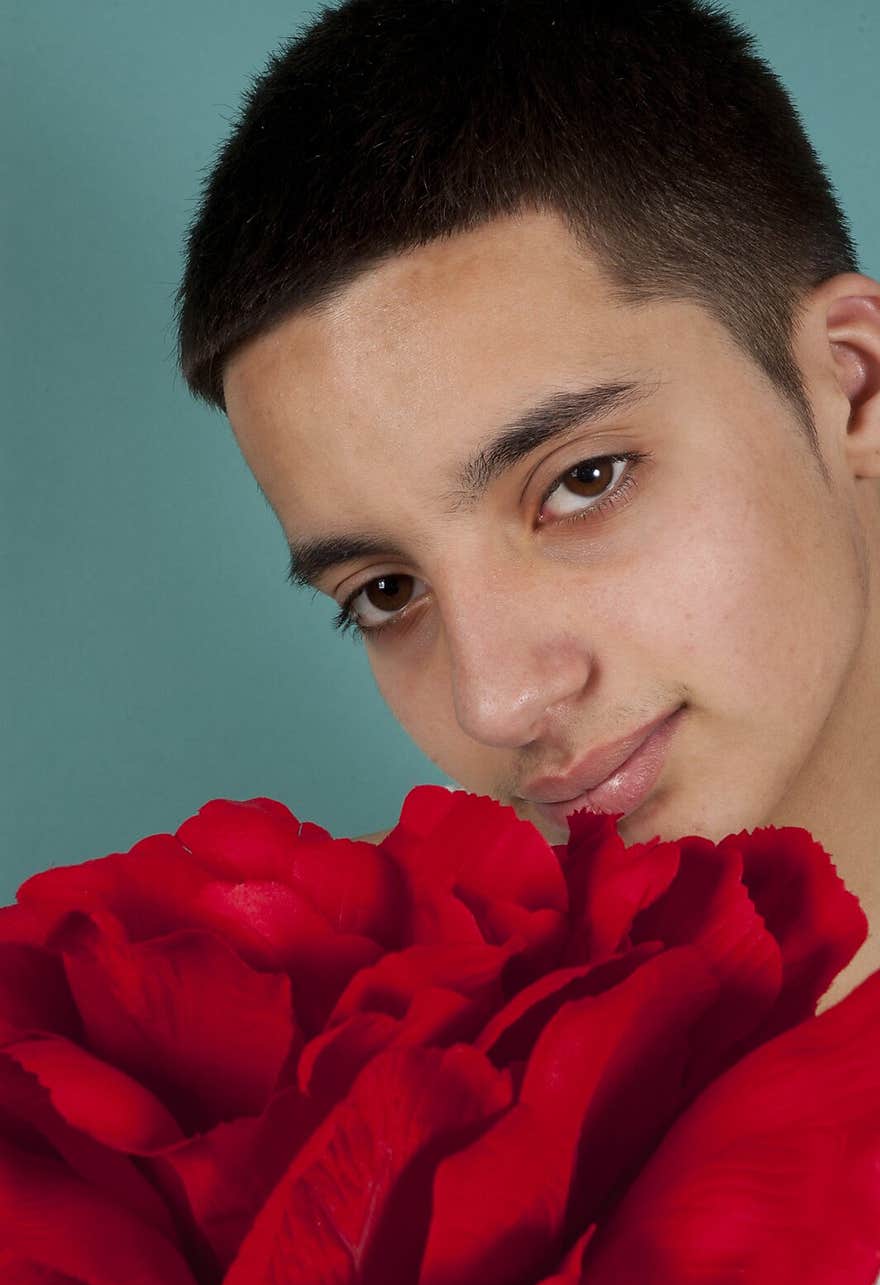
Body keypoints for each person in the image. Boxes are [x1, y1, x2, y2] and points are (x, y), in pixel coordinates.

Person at [174, 0, 880, 1026]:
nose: (493, 703)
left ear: (850, 386)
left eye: (581, 482)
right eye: (385, 591)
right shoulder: (413, 1083)